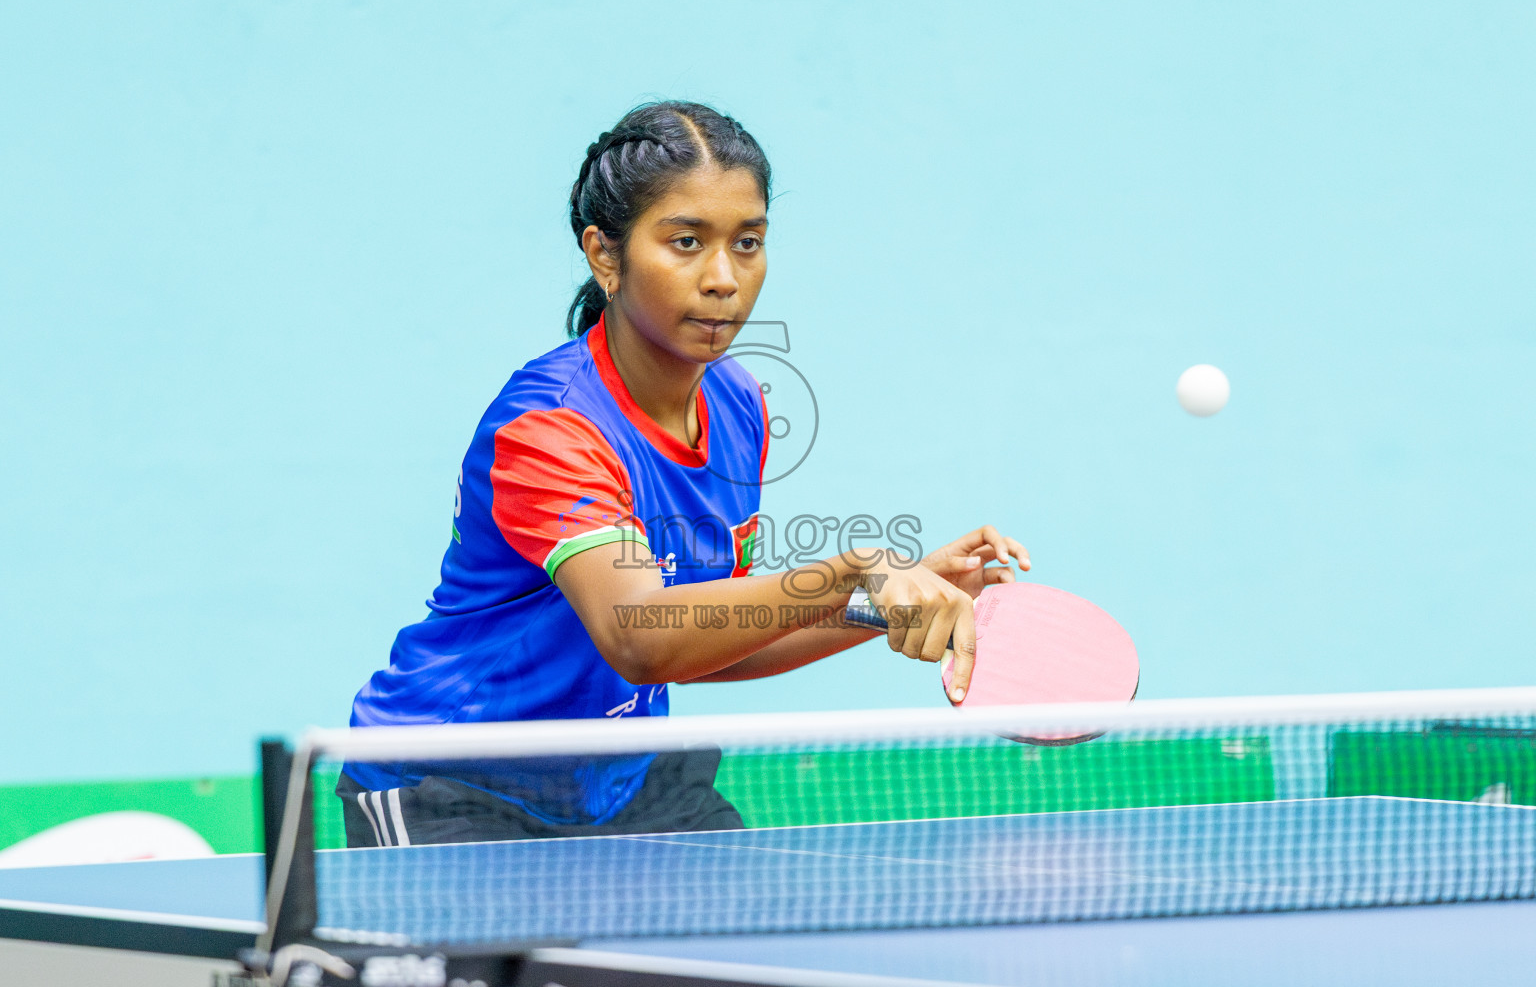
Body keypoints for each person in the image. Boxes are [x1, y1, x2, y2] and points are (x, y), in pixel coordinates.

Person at [337, 101, 1029, 847]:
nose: (724, 279)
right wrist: (851, 575)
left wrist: (893, 600)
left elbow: (707, 634)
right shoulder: (552, 431)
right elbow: (642, 636)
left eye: (749, 242)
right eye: (687, 242)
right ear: (606, 255)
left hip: (621, 779)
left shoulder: (738, 405)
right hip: (458, 783)